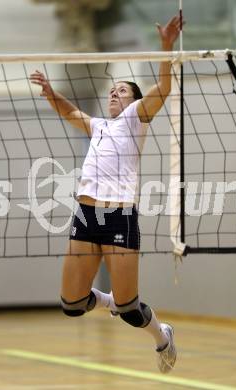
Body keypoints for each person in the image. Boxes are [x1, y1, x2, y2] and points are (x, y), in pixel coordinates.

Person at [30, 15, 182, 373]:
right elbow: (70, 111)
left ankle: (163, 336)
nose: (115, 93)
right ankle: (110, 299)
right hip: (86, 216)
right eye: (113, 90)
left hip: (118, 216)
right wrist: (52, 92)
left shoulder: (135, 119)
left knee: (130, 311)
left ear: (133, 102)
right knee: (72, 303)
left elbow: (163, 89)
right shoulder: (98, 125)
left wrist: (165, 47)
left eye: (123, 91)